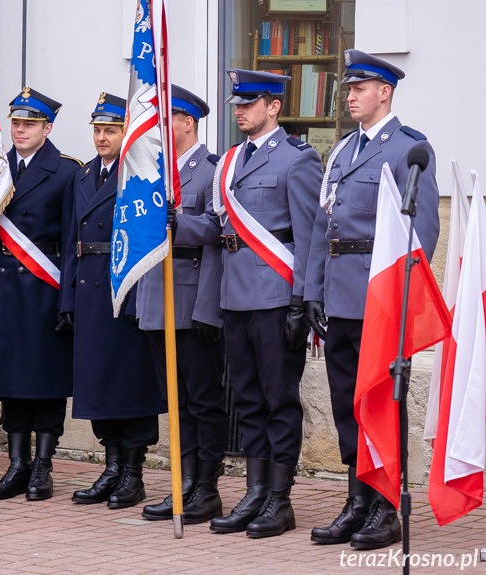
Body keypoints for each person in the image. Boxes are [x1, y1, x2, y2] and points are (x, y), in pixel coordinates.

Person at [304, 50, 440, 550]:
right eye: (347, 88)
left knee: (382, 403)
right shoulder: (341, 153)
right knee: (347, 405)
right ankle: (356, 500)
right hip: (339, 297)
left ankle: (386, 507)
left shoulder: (409, 148)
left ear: (385, 92)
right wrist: (312, 290)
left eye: (359, 87)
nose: (350, 95)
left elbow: (421, 233)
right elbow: (324, 226)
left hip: (380, 301)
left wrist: (401, 300)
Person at [204, 70, 323, 538]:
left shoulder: (298, 160)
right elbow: (221, 231)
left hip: (276, 296)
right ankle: (254, 493)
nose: (240, 110)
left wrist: (302, 301)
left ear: (273, 107)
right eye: (237, 102)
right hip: (235, 295)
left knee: (278, 400)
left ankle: (280, 498)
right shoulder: (230, 161)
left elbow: (310, 236)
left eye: (250, 102)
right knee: (247, 400)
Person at [59, 93, 166, 510]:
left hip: (126, 288)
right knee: (99, 384)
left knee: (130, 385)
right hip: (89, 290)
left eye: (111, 130)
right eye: (98, 130)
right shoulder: (83, 175)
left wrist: (144, 295)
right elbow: (72, 241)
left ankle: (133, 474)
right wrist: (67, 298)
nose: (102, 138)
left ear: (127, 132)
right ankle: (111, 467)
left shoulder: (138, 174)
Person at [0, 87, 81, 501]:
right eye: (16, 122)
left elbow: (73, 241)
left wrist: (68, 299)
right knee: (11, 380)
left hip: (45, 289)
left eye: (29, 124)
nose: (20, 129)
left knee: (47, 383)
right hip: (4, 288)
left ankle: (42, 466)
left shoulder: (69, 172)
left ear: (47, 128)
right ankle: (16, 464)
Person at [136, 85, 227, 525]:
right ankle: (182, 484)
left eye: (165, 119)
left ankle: (206, 489)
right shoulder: (152, 171)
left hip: (191, 301)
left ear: (186, 122)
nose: (157, 127)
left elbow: (216, 235)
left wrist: (208, 309)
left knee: (203, 400)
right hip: (157, 298)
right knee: (176, 401)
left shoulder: (211, 171)